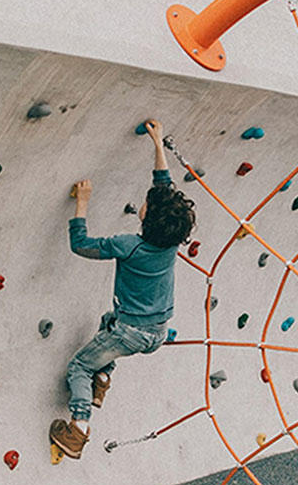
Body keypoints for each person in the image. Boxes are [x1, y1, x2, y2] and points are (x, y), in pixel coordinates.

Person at [49, 120, 195, 459]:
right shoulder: (171, 241)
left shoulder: (127, 245)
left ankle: (77, 430)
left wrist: (82, 202)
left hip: (130, 333)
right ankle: (102, 383)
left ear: (146, 217)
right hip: (156, 332)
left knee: (79, 367)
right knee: (107, 321)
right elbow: (164, 188)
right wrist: (157, 144)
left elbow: (81, 245)